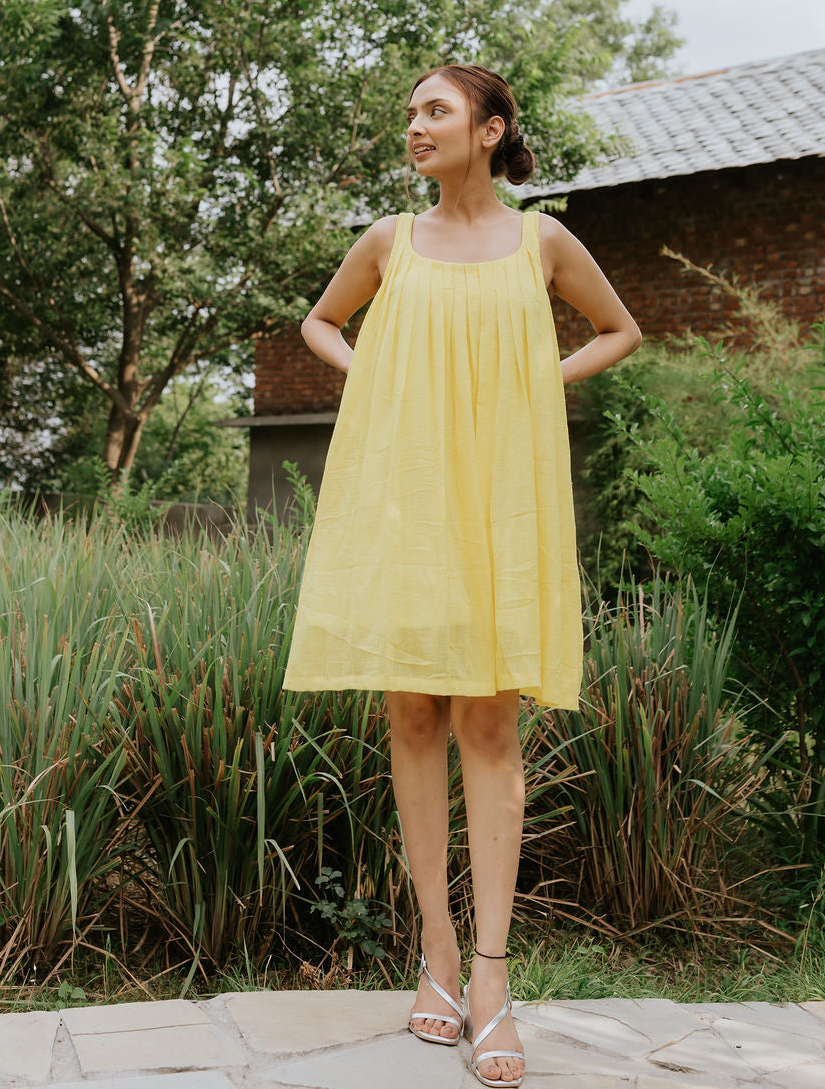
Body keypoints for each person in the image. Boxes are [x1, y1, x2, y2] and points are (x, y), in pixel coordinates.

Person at [282, 63, 641, 1085]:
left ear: (490, 130)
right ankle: (433, 956)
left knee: (489, 722)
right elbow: (320, 323)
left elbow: (620, 331)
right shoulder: (390, 240)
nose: (414, 126)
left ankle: (490, 977)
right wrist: (378, 376)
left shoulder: (543, 243)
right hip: (406, 497)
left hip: (499, 499)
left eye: (434, 110)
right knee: (411, 718)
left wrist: (537, 378)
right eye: (408, 114)